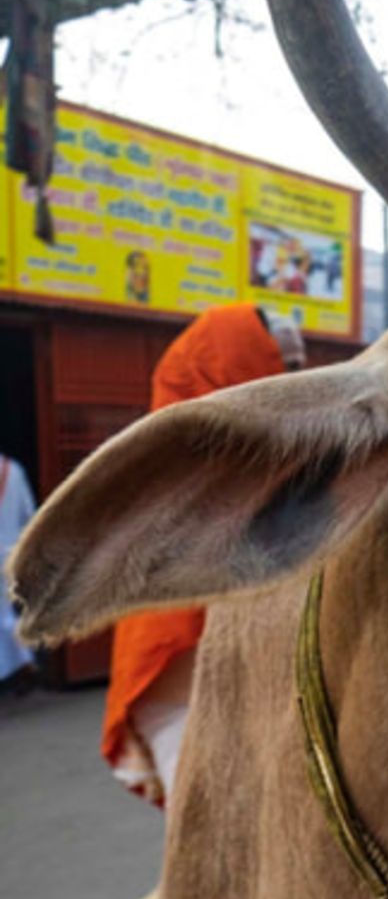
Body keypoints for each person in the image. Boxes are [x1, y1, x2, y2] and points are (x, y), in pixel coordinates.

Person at [106, 304, 301, 805]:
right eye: (288, 365)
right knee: (221, 842)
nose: (297, 380)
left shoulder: (245, 463)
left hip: (218, 688)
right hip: (183, 688)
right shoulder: (191, 471)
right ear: (242, 367)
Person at [1, 453, 38, 693]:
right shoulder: (13, 471)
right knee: (5, 613)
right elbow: (29, 515)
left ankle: (22, 660)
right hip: (9, 553)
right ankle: (22, 660)